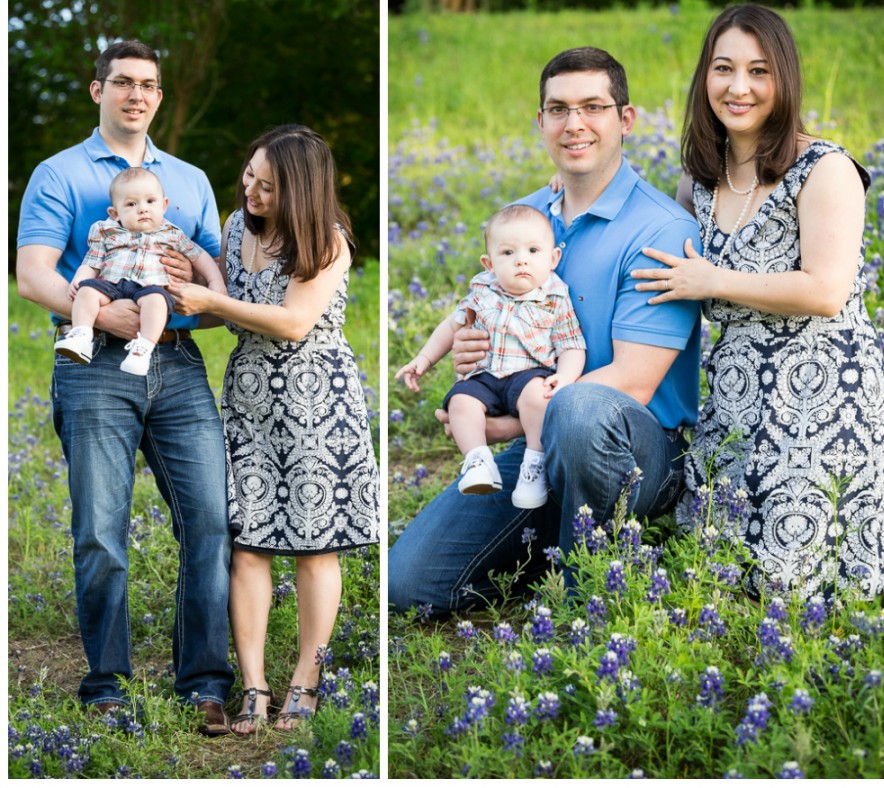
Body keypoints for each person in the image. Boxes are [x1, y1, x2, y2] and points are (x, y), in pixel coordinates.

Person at [388, 47, 702, 615]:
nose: (574, 124)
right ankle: (549, 550)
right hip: (541, 443)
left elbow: (631, 384)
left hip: (638, 450)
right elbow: (489, 318)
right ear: (540, 122)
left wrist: (507, 422)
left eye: (593, 107)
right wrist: (470, 350)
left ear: (625, 120)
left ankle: (589, 595)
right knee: (408, 587)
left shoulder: (661, 228)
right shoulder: (522, 220)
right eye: (557, 109)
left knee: (582, 409)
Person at [631, 4, 884, 599]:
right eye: (724, 69)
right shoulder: (696, 179)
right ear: (705, 79)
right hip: (735, 400)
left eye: (759, 70)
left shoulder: (825, 168)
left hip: (823, 396)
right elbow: (668, 286)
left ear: (785, 80)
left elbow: (827, 291)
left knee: (792, 587)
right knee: (717, 571)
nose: (738, 87)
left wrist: (713, 280)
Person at [16, 40, 234, 736]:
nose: (136, 95)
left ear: (160, 98)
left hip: (178, 362)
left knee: (210, 520)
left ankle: (203, 681)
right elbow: (35, 272)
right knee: (101, 533)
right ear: (97, 90)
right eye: (122, 83)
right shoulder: (59, 173)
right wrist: (103, 312)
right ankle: (107, 682)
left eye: (148, 85)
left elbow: (210, 271)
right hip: (93, 367)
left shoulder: (190, 179)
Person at [169, 124, 379, 735]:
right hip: (250, 397)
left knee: (316, 547)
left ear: (302, 190)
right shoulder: (236, 228)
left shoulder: (328, 240)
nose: (251, 191)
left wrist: (210, 303)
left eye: (268, 185)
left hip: (317, 400)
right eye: (249, 177)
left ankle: (306, 684)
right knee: (248, 541)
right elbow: (226, 305)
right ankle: (255, 685)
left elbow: (291, 322)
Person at [396, 204, 586, 509]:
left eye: (534, 251)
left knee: (539, 398)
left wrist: (565, 377)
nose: (521, 260)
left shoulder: (555, 297)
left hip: (528, 375)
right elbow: (451, 325)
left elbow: (572, 344)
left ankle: (534, 467)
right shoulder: (482, 290)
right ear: (489, 263)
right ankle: (478, 462)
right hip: (484, 376)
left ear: (553, 259)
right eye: (508, 253)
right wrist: (423, 359)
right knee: (460, 402)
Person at [54, 167, 226, 375]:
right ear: (115, 213)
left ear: (164, 206)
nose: (142, 209)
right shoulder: (107, 232)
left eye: (150, 201)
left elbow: (200, 257)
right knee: (86, 292)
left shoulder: (172, 234)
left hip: (151, 287)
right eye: (131, 204)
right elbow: (92, 261)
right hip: (112, 284)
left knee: (157, 303)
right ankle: (81, 335)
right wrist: (80, 279)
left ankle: (142, 349)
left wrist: (215, 281)